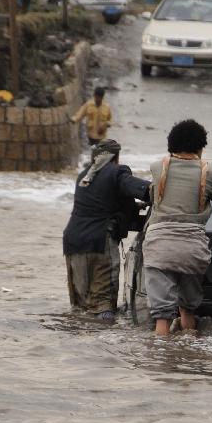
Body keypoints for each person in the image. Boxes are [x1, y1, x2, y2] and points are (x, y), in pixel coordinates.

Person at [143, 120, 212, 337]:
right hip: (192, 249)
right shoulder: (208, 173)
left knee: (162, 315)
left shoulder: (158, 168)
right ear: (200, 146)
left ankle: (161, 360)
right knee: (188, 309)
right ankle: (189, 355)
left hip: (159, 248)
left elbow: (152, 197)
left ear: (171, 145)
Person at [63, 139, 150, 324]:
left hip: (73, 242)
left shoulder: (83, 176)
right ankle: (105, 345)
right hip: (100, 241)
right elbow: (143, 190)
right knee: (103, 304)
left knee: (81, 305)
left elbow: (103, 202)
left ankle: (76, 346)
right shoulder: (117, 172)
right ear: (116, 157)